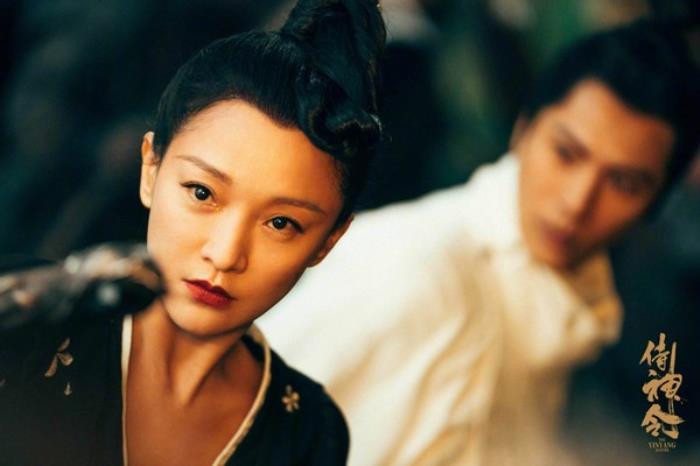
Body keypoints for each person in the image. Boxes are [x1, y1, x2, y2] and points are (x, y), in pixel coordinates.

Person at [259, 19, 700, 466]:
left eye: (624, 183)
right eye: (566, 153)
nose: (577, 201)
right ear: (523, 131)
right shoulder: (412, 267)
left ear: (655, 205)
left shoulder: (563, 291)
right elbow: (243, 419)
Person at [0, 0, 385, 464]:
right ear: (151, 169)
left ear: (328, 241)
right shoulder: (22, 315)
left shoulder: (307, 435)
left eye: (281, 223)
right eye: (202, 193)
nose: (225, 254)